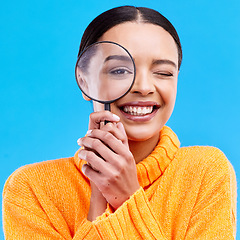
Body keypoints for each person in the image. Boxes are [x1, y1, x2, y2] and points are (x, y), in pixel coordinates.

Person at [2, 6, 237, 240]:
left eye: (164, 72)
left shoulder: (206, 172)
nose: (144, 87)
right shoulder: (31, 189)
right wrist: (99, 199)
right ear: (84, 81)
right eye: (120, 70)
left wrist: (125, 196)